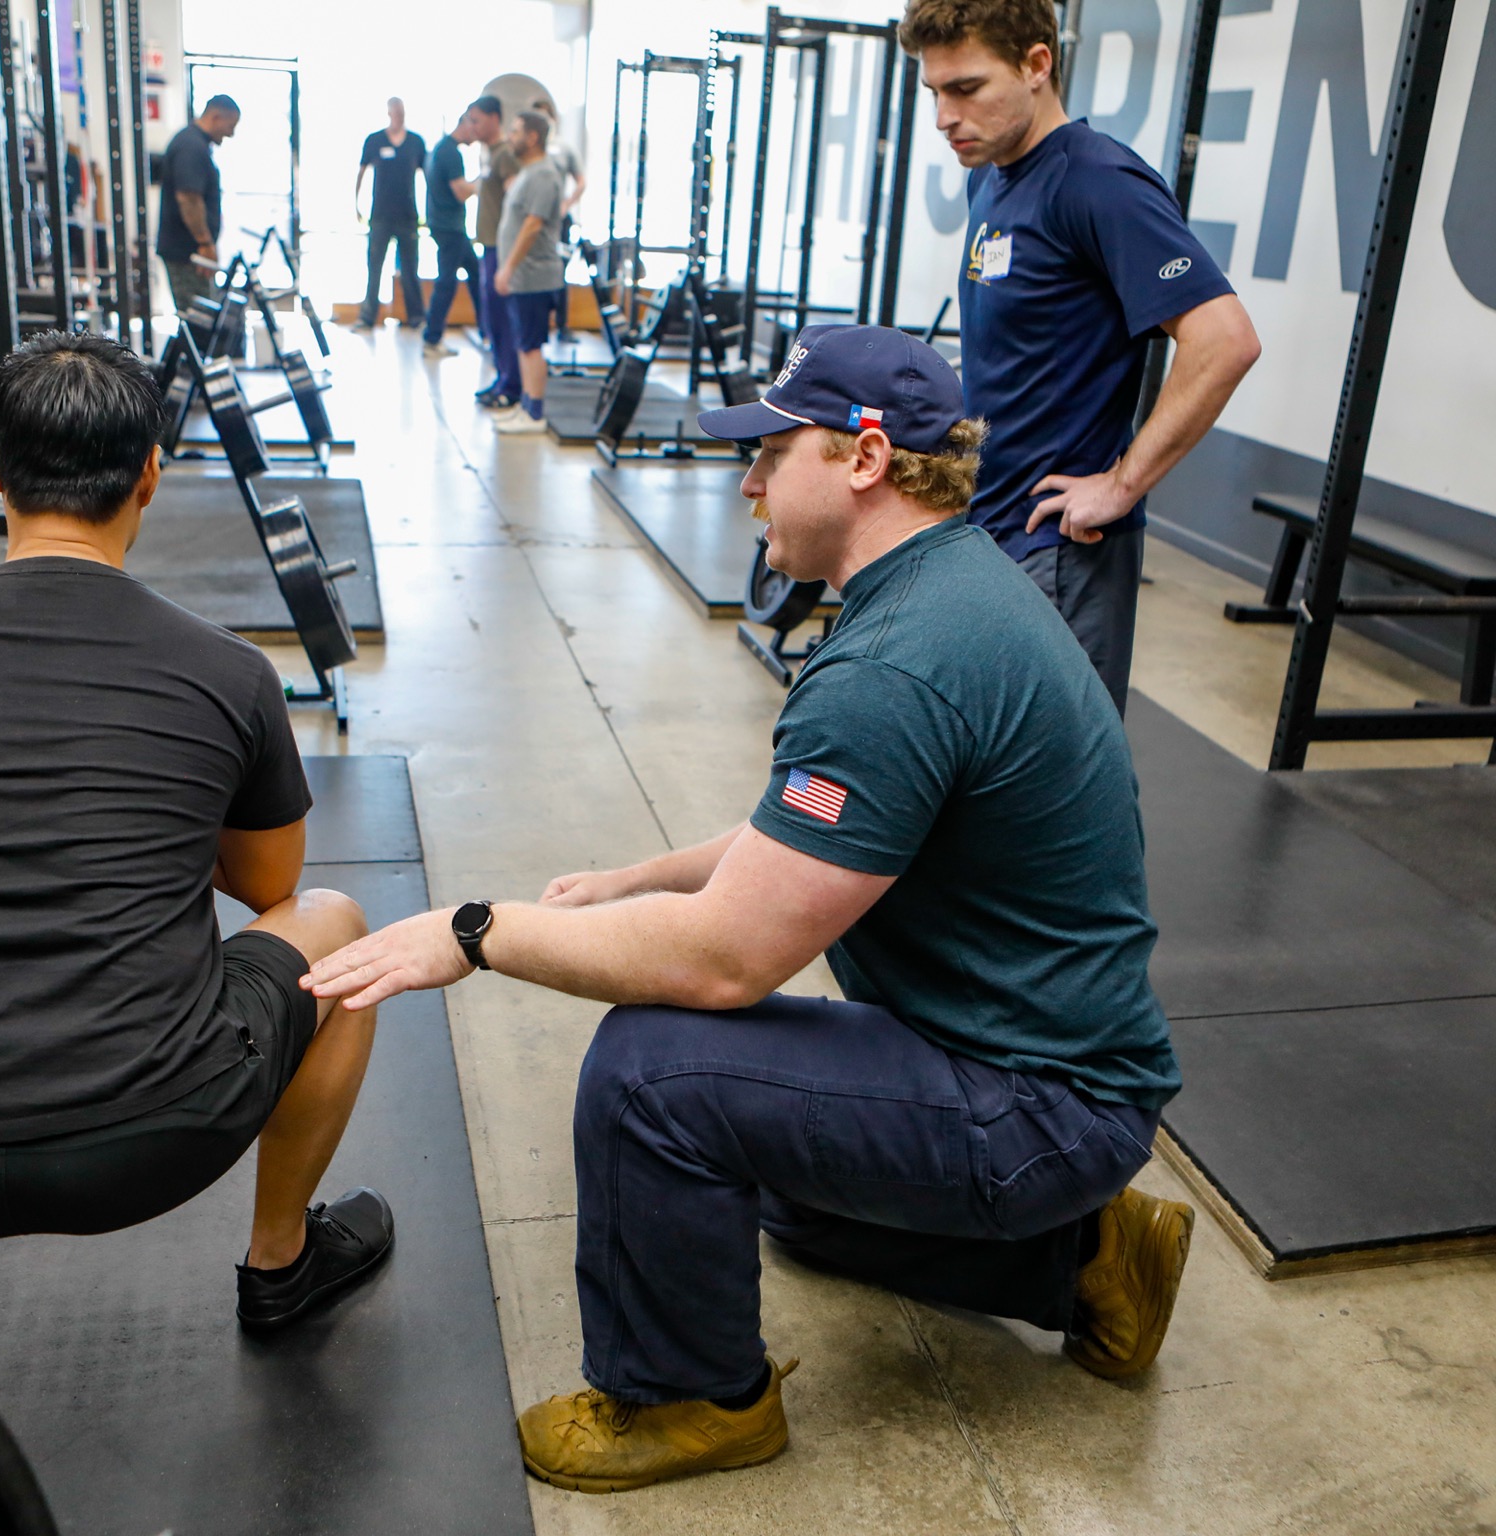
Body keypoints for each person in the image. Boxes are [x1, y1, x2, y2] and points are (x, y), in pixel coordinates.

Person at [302, 325, 1196, 1494]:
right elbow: (827, 828)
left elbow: (726, 962)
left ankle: (688, 1400)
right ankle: (1091, 1252)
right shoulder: (953, 586)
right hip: (1033, 1062)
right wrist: (637, 878)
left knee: (655, 1074)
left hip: (1037, 1100)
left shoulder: (896, 666)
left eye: (774, 453)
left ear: (865, 459)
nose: (750, 480)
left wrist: (476, 933)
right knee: (775, 1197)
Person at [0, 332, 394, 1349]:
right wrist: (155, 805)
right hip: (164, 1142)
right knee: (337, 921)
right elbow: (270, 885)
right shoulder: (231, 671)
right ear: (151, 474)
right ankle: (281, 1264)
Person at [898, 0, 1259, 715]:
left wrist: (1121, 485)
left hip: (1060, 547)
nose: (944, 115)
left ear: (1037, 64)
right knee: (984, 767)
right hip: (991, 524)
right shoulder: (991, 175)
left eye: (966, 88)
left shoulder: (1097, 182)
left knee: (1053, 782)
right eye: (934, 92)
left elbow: (1225, 340)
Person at [490, 111, 567, 435]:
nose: (510, 135)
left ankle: (534, 414)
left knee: (531, 345)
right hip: (523, 276)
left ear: (533, 137)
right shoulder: (529, 172)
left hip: (534, 275)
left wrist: (507, 267)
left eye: (517, 131)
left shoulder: (544, 175)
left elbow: (533, 225)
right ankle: (525, 405)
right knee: (524, 344)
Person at [155, 95, 240, 315]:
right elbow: (189, 198)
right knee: (197, 321)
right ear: (215, 116)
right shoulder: (191, 146)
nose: (231, 133)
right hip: (189, 253)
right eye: (230, 126)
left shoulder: (194, 143)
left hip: (191, 251)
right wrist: (204, 244)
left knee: (200, 320)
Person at [468, 96, 525, 409]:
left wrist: (511, 255)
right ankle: (503, 378)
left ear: (493, 118)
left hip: (501, 250)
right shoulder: (489, 154)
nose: (473, 127)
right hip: (488, 246)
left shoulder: (505, 156)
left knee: (504, 319)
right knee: (492, 320)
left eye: (477, 120)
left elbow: (517, 207)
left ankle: (512, 386)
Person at [355, 98, 429, 331]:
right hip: (380, 216)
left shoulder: (415, 142)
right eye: (395, 112)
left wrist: (429, 210)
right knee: (374, 267)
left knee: (410, 270)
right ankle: (368, 317)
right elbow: (361, 171)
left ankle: (416, 317)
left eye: (402, 112)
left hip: (408, 216)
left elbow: (428, 176)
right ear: (388, 113)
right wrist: (356, 205)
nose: (398, 116)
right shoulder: (375, 140)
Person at [422, 104, 486, 358]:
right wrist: (482, 183)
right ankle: (432, 338)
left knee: (475, 276)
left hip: (448, 225)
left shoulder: (443, 149)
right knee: (447, 283)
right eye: (476, 125)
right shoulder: (449, 153)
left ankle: (487, 331)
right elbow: (461, 192)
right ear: (466, 123)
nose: (477, 133)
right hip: (449, 228)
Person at [532, 98, 583, 343]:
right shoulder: (529, 151)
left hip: (558, 220)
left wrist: (566, 205)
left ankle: (562, 324)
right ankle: (537, 323)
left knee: (559, 270)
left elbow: (581, 182)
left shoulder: (563, 148)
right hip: (534, 218)